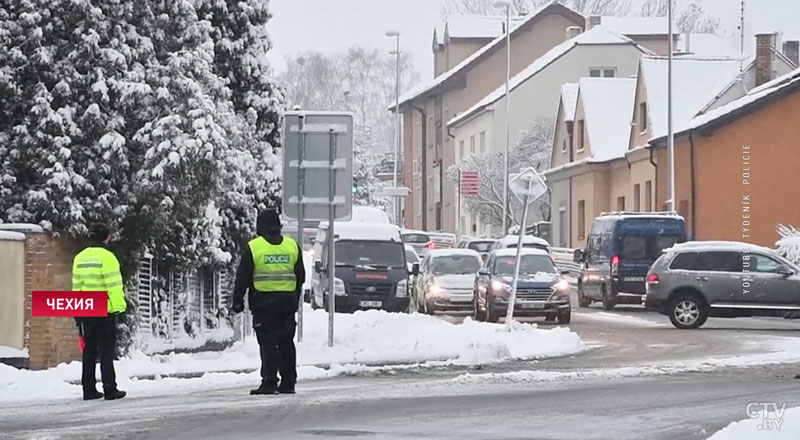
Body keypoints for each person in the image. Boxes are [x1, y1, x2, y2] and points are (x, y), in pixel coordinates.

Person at [233, 210, 305, 395]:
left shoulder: (254, 247)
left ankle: (270, 381)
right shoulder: (292, 246)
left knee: (267, 342)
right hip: (287, 303)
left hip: (264, 303)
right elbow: (301, 276)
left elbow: (243, 276)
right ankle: (289, 382)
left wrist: (238, 300)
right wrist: (293, 296)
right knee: (286, 342)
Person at [72, 223, 127, 401]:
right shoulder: (107, 257)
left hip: (87, 308)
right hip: (105, 308)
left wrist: (77, 311)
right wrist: (119, 308)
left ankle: (88, 390)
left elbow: (77, 287)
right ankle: (110, 388)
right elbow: (114, 286)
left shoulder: (79, 258)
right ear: (106, 238)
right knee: (106, 351)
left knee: (89, 351)